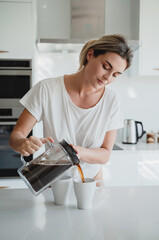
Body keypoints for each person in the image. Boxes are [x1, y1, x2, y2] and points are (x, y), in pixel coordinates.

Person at [9, 34, 133, 181]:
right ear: (90, 55)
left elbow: (105, 154)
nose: (108, 78)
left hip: (92, 183)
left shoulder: (111, 100)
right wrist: (23, 143)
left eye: (115, 75)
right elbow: (16, 136)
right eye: (106, 67)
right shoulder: (47, 89)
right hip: (54, 183)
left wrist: (77, 152)